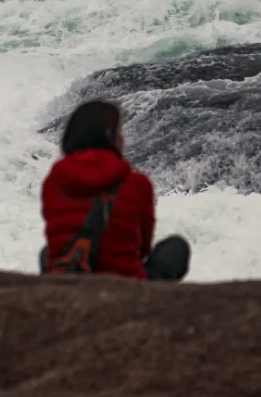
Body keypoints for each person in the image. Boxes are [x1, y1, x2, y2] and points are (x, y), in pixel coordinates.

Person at [40, 99, 190, 280]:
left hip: (68, 274)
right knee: (176, 247)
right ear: (110, 136)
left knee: (48, 252)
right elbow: (142, 249)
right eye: (120, 131)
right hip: (125, 281)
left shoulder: (53, 180)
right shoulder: (136, 183)